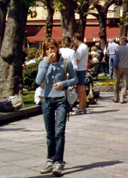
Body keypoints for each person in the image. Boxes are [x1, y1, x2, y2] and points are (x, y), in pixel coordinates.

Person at [36, 39, 78, 176]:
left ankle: (58, 162)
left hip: (61, 100)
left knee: (59, 131)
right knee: (50, 133)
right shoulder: (43, 63)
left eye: (52, 48)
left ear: (57, 48)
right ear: (45, 51)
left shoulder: (65, 63)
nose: (50, 51)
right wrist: (47, 63)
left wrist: (64, 83)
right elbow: (38, 80)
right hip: (47, 100)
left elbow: (75, 79)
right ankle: (50, 160)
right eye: (47, 49)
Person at [113, 36, 128, 104]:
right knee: (125, 83)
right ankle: (122, 98)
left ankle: (115, 97)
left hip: (119, 67)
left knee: (117, 82)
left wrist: (114, 67)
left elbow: (115, 59)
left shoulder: (118, 49)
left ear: (121, 41)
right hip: (127, 67)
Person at [72, 34, 88, 116]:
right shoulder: (85, 47)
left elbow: (77, 60)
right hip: (83, 68)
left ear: (76, 39)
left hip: (79, 69)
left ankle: (81, 108)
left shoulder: (81, 48)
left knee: (80, 89)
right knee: (82, 89)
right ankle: (83, 107)